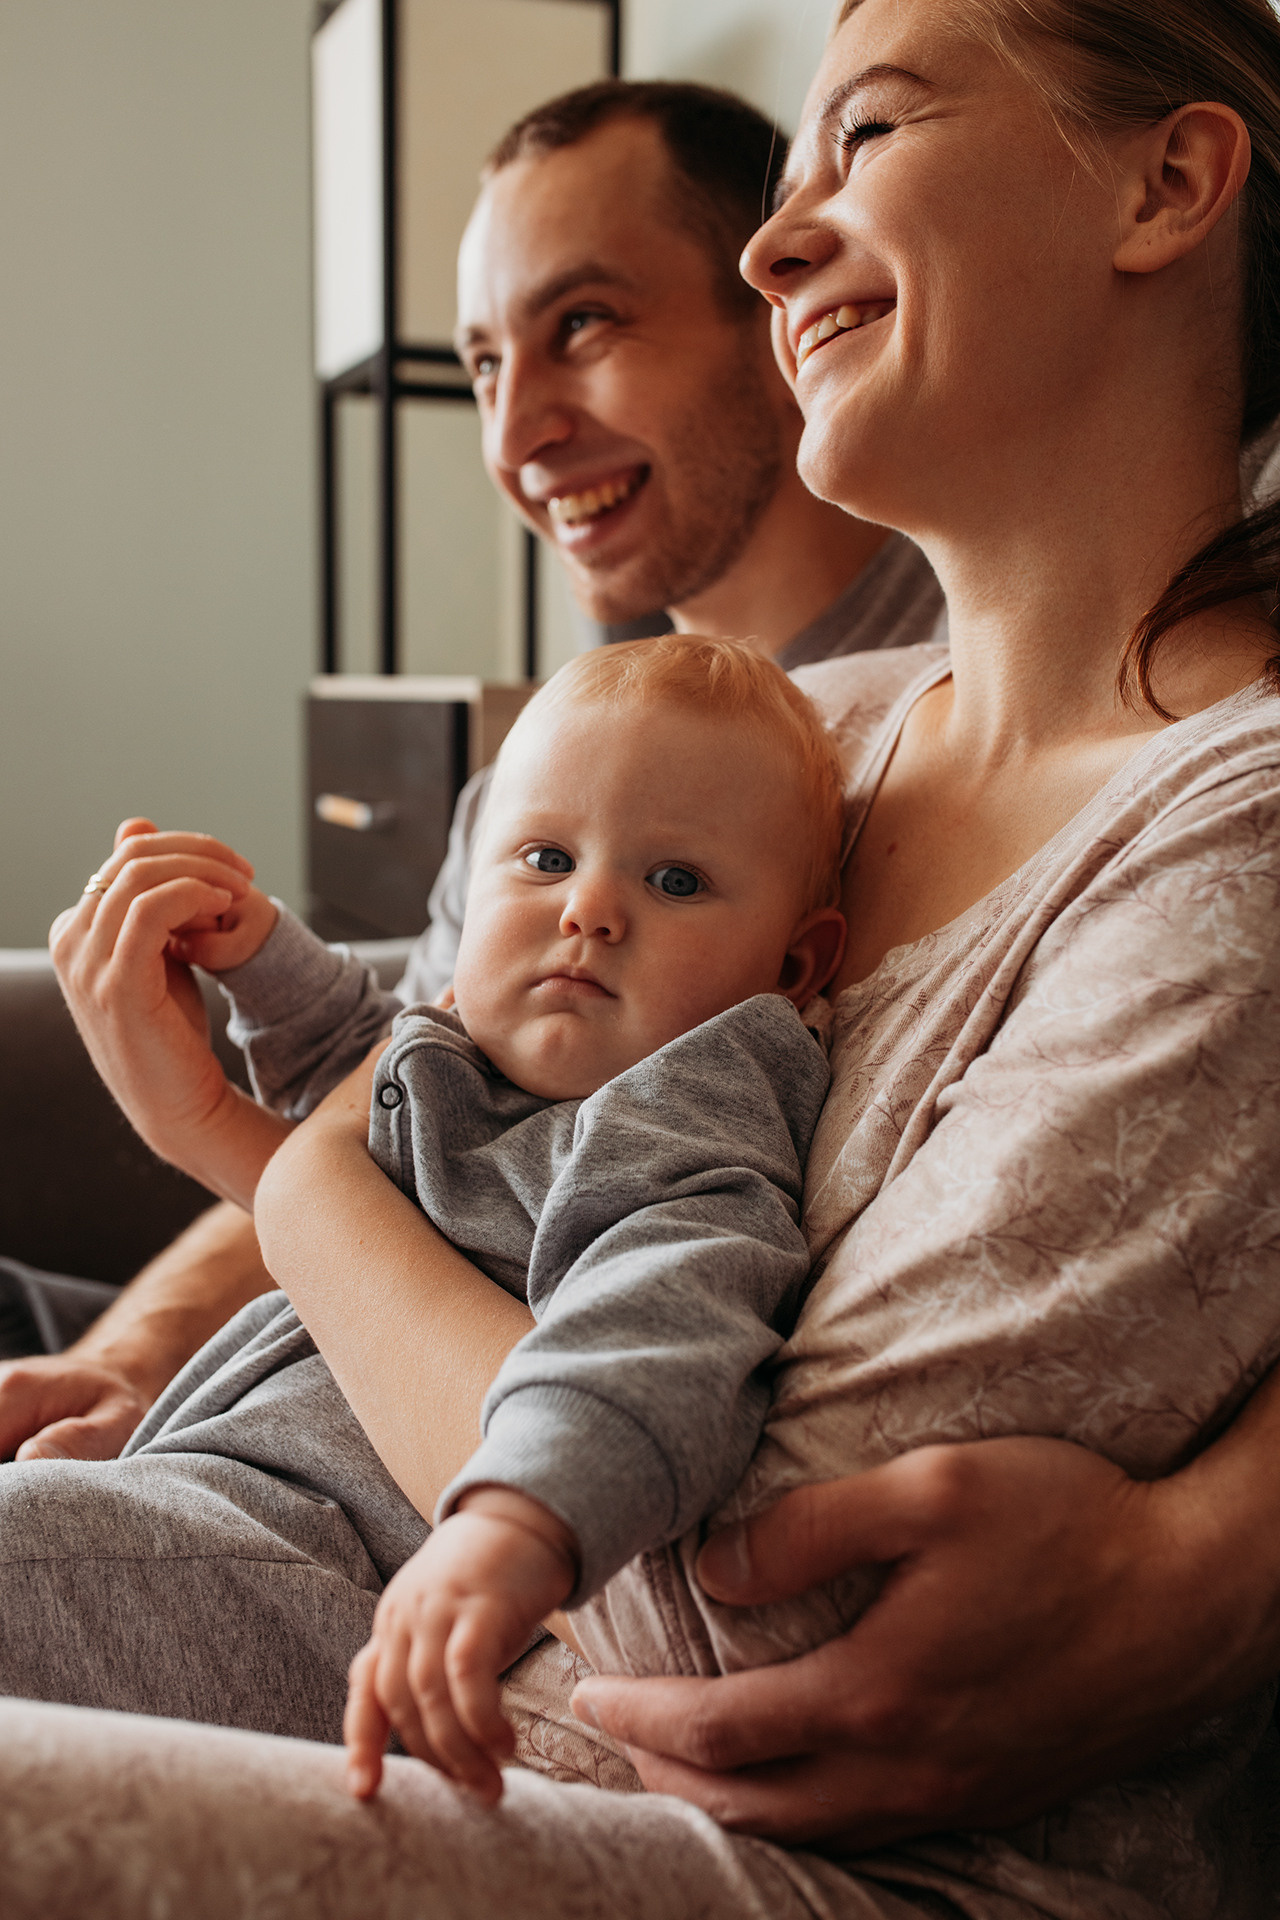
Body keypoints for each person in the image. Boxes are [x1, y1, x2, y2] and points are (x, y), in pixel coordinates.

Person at [7, 51, 1280, 1889]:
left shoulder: (1212, 823)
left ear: (1167, 187)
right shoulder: (802, 728)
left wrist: (272, 1169)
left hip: (686, 1803)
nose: (779, 246)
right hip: (383, 1622)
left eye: (875, 126)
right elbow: (431, 1071)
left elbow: (750, 1629)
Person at [161, 636, 846, 1804]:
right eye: (542, 857)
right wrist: (259, 959)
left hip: (319, 1558)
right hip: (218, 1500)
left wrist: (506, 1534)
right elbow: (366, 1072)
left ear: (791, 965)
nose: (587, 909)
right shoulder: (494, 1060)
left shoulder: (676, 1113)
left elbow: (652, 1334)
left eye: (672, 881)